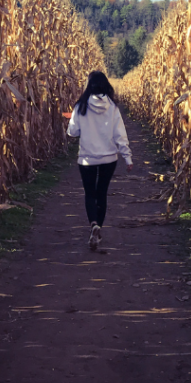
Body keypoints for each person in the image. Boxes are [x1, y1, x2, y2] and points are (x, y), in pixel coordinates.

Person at [66, 71, 133, 251]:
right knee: (101, 193)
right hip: (108, 158)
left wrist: (82, 127)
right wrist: (127, 157)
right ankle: (99, 229)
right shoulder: (112, 107)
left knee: (89, 193)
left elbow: (72, 132)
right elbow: (120, 134)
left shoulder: (80, 106)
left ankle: (93, 224)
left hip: (87, 159)